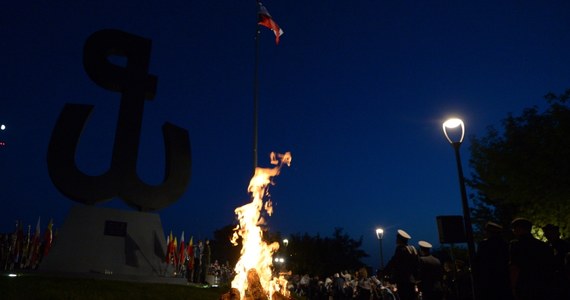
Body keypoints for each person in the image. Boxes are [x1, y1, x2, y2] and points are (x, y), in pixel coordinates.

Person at [509, 218, 556, 300]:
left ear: (519, 229)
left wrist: (513, 287)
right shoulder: (544, 246)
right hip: (542, 286)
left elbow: (514, 267)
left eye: (514, 229)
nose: (513, 231)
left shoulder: (516, 245)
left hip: (523, 285)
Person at [474, 222, 513, 300]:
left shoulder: (484, 244)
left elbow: (479, 262)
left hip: (488, 280)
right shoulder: (505, 244)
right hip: (503, 279)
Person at [383, 229, 419, 300]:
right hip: (412, 279)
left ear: (400, 239)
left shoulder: (400, 249)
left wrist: (384, 271)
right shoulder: (412, 249)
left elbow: (394, 261)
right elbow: (417, 263)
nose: (396, 240)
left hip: (403, 279)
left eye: (397, 238)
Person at [542, 224, 570, 299]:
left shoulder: (564, 245)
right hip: (552, 278)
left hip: (562, 278)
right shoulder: (546, 245)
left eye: (548, 233)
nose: (546, 235)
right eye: (546, 233)